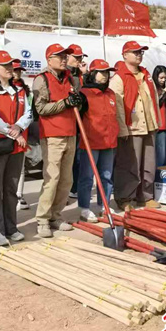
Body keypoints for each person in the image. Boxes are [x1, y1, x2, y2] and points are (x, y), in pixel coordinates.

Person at [0, 50, 32, 245]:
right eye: (5, 65)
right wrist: (13, 132)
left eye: (11, 65)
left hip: (16, 147)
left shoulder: (19, 91)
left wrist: (18, 127)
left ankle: (11, 227)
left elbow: (28, 113)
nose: (10, 68)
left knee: (11, 188)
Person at [33, 43, 81, 238]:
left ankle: (56, 215)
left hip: (70, 132)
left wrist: (78, 101)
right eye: (59, 56)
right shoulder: (42, 79)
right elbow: (41, 108)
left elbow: (76, 103)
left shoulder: (71, 78)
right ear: (49, 59)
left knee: (66, 179)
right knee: (52, 178)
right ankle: (43, 219)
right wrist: (64, 103)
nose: (63, 59)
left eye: (65, 56)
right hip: (52, 134)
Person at [110, 41, 162, 211]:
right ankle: (125, 197)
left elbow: (154, 99)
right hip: (131, 127)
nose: (139, 55)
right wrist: (122, 128)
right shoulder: (119, 77)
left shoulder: (145, 74)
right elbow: (117, 106)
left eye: (141, 52)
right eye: (135, 52)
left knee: (148, 164)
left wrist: (157, 121)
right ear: (125, 55)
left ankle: (145, 196)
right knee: (129, 165)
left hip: (149, 125)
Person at [77, 60, 119, 222]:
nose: (105, 75)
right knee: (87, 176)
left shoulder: (111, 94)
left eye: (107, 72)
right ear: (93, 74)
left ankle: (104, 205)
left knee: (107, 176)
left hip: (109, 141)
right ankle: (84, 208)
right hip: (91, 142)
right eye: (102, 72)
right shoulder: (84, 93)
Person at [67, 44, 87, 199]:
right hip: (68, 121)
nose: (79, 60)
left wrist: (85, 75)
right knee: (69, 158)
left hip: (80, 120)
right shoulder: (66, 75)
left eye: (81, 57)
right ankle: (69, 188)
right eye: (76, 57)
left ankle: (75, 187)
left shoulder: (80, 75)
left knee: (78, 157)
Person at [12, 60, 31, 210]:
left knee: (21, 166)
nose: (17, 73)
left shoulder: (23, 90)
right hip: (7, 133)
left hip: (22, 132)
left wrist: (20, 127)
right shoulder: (1, 88)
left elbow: (29, 111)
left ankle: (19, 194)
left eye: (19, 70)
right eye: (15, 70)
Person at [152, 65, 166, 167]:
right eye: (161, 78)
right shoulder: (154, 89)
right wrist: (165, 92)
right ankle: (160, 171)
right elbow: (157, 103)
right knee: (161, 151)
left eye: (165, 78)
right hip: (160, 123)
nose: (163, 80)